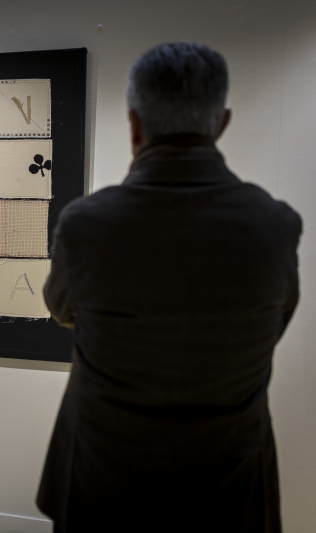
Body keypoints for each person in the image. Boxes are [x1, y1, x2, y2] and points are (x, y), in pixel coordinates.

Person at [36, 42, 301, 533]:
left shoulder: (86, 224)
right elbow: (274, 323)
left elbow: (61, 309)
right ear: (221, 123)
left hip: (102, 480)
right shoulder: (275, 225)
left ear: (134, 124)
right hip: (231, 486)